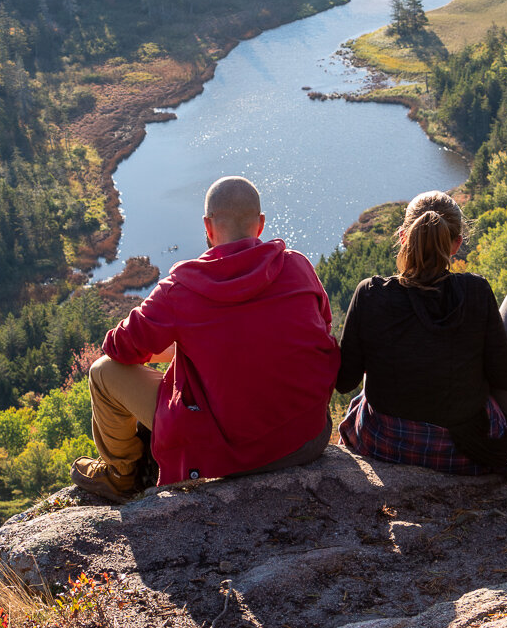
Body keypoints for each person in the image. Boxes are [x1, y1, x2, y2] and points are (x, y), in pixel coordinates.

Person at [71, 176, 340, 502]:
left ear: (208, 227)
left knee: (103, 372)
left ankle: (121, 478)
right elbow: (323, 329)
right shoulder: (297, 266)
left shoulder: (181, 289)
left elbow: (118, 347)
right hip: (307, 439)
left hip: (227, 458)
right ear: (260, 225)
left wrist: (175, 346)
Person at [335, 190, 507, 475]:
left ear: (402, 237)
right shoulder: (475, 292)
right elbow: (506, 379)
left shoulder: (370, 294)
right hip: (468, 452)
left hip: (385, 445)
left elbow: (345, 381)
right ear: (456, 244)